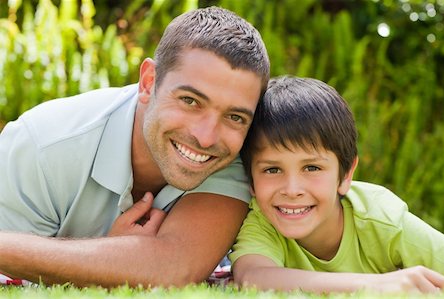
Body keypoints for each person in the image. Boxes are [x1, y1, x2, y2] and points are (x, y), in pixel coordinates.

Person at [0, 6, 270, 288]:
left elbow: (176, 267)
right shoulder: (43, 146)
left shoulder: (232, 157)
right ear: (148, 81)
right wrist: (118, 258)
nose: (206, 137)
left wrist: (112, 261)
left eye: (234, 117)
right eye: (190, 101)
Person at [230, 76, 444, 294]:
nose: (292, 189)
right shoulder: (263, 220)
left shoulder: (381, 219)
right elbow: (252, 277)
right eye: (272, 170)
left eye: (312, 168)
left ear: (345, 175)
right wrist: (377, 285)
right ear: (251, 180)